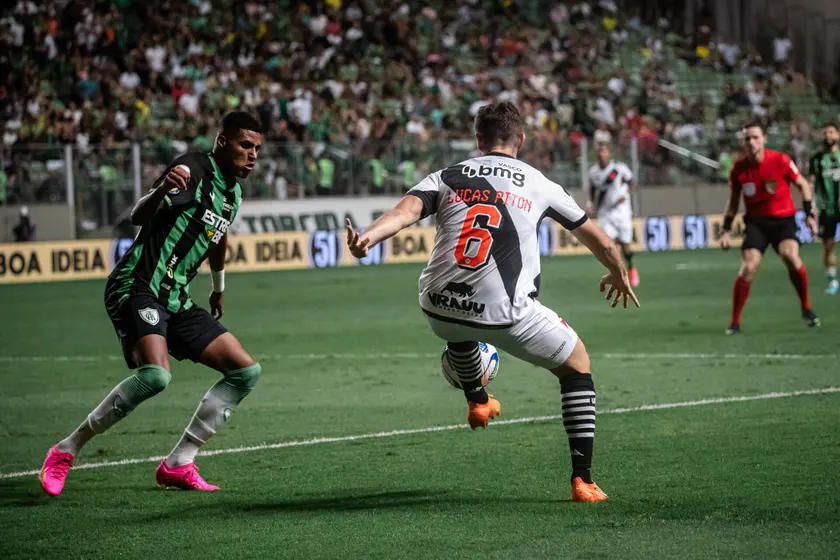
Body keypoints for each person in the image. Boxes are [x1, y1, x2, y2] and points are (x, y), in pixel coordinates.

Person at [345, 102, 639, 503]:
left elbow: (404, 212)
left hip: (436, 306)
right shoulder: (539, 183)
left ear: (478, 141)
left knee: (459, 329)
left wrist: (367, 238)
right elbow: (600, 239)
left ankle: (478, 400)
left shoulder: (449, 175)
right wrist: (618, 271)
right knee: (577, 365)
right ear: (520, 139)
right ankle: (582, 480)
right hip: (505, 314)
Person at [39, 112, 264, 495]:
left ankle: (179, 463)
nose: (253, 154)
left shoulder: (234, 193)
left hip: (175, 296)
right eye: (246, 145)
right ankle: (65, 450)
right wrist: (160, 191)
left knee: (246, 372)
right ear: (222, 142)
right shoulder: (191, 169)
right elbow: (139, 217)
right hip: (138, 283)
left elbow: (218, 235)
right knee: (156, 375)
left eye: (257, 148)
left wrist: (218, 286)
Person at [721, 121, 820, 334]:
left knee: (791, 257)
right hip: (756, 223)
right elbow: (733, 201)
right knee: (749, 267)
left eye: (755, 137)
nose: (751, 142)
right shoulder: (739, 169)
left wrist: (810, 214)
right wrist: (726, 229)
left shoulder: (781, 160)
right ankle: (735, 321)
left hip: (783, 221)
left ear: (764, 138)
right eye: (747, 138)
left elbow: (803, 185)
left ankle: (806, 307)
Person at [586, 143, 639, 286]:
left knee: (625, 244)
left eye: (604, 152)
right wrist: (590, 203)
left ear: (610, 154)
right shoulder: (593, 172)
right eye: (599, 153)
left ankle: (631, 267)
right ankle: (619, 273)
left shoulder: (619, 169)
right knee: (610, 245)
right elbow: (592, 188)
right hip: (605, 212)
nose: (602, 155)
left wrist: (626, 194)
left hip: (622, 211)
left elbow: (632, 182)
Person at [808, 123, 840, 295]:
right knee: (828, 246)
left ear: (838, 135)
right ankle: (833, 281)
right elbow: (811, 185)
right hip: (827, 209)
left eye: (831, 132)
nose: (827, 135)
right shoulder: (816, 160)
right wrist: (811, 206)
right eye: (825, 132)